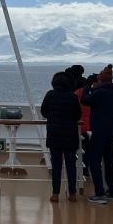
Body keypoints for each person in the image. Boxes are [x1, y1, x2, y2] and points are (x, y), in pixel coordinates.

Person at [81, 65, 113, 204]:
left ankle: (99, 192)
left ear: (101, 80)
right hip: (112, 131)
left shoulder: (100, 93)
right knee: (109, 160)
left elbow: (85, 100)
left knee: (94, 161)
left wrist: (88, 85)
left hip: (99, 131)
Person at [41, 72, 82, 203]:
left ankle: (55, 194)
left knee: (56, 166)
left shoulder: (50, 95)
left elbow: (44, 112)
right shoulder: (73, 97)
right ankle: (72, 194)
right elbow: (78, 115)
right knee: (71, 166)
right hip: (70, 135)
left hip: (54, 135)